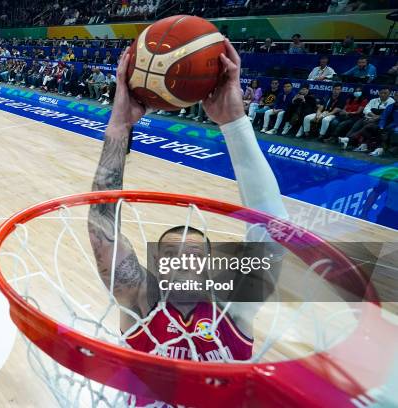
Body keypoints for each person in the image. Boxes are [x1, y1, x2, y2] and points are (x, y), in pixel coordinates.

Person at [87, 41, 286, 405]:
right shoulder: (141, 303)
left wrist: (235, 123)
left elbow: (273, 228)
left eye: (193, 254)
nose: (182, 261)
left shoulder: (233, 308)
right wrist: (118, 124)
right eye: (170, 255)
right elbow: (102, 229)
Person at [341, 88, 395, 154]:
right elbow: (366, 109)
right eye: (381, 93)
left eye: (385, 93)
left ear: (389, 94)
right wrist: (373, 116)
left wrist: (375, 118)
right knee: (357, 124)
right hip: (370, 118)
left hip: (379, 121)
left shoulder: (391, 102)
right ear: (379, 93)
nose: (383, 94)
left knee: (367, 125)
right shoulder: (373, 100)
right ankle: (347, 140)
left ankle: (350, 140)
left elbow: (385, 115)